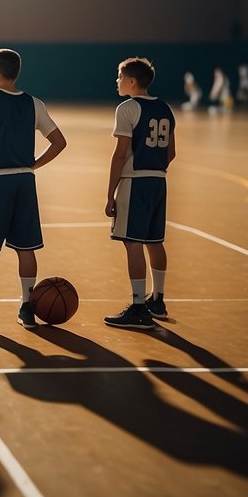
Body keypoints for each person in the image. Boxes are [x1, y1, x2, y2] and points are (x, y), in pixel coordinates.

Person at [0, 48, 67, 334]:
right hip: (25, 183)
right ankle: (27, 308)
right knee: (26, 248)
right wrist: (33, 164)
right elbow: (59, 141)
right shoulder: (34, 103)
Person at [104, 57, 176, 329]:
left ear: (132, 82)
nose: (117, 81)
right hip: (159, 181)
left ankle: (137, 307)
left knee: (132, 242)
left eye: (120, 77)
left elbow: (120, 154)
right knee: (154, 241)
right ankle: (157, 299)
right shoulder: (165, 109)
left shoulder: (127, 109)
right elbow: (171, 152)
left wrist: (110, 193)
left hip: (136, 183)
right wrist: (154, 169)